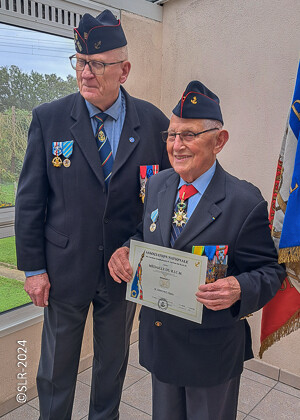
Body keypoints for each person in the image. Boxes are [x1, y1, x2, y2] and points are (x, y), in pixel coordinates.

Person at [15, 9, 170, 420]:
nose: (85, 73)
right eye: (80, 61)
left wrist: (134, 246)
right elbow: (30, 201)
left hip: (123, 273)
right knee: (56, 371)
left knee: (111, 369)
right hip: (64, 270)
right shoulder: (49, 120)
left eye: (98, 64)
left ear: (124, 70)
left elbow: (162, 204)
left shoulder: (154, 124)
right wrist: (32, 268)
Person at [108, 80, 286, 420]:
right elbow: (143, 235)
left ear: (219, 140)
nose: (177, 145)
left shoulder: (244, 202)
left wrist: (238, 288)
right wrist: (124, 250)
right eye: (172, 135)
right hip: (162, 342)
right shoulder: (158, 184)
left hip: (211, 355)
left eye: (189, 134)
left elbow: (270, 271)